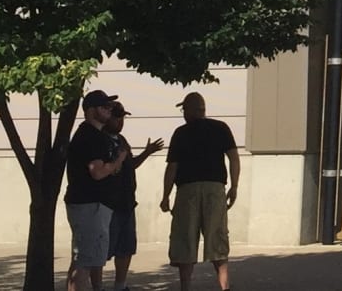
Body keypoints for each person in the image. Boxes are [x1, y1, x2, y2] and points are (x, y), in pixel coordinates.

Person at [159, 93, 237, 291]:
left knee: (185, 239)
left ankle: (186, 286)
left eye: (185, 109)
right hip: (215, 188)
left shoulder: (180, 133)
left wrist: (166, 195)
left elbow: (172, 167)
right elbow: (234, 158)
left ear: (193, 110)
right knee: (217, 237)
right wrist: (234, 186)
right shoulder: (221, 128)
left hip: (187, 191)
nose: (183, 113)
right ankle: (224, 285)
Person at [62, 93, 128, 291]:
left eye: (110, 105)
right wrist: (118, 161)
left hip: (93, 206)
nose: (110, 109)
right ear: (91, 109)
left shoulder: (92, 135)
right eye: (104, 106)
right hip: (90, 206)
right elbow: (97, 172)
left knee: (85, 260)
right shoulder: (91, 136)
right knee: (84, 262)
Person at [101, 106, 163, 291]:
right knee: (102, 249)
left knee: (125, 248)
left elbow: (131, 164)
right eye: (117, 117)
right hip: (108, 204)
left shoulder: (122, 141)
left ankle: (120, 285)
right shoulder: (100, 140)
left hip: (127, 203)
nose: (120, 121)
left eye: (122, 118)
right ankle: (95, 285)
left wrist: (147, 152)